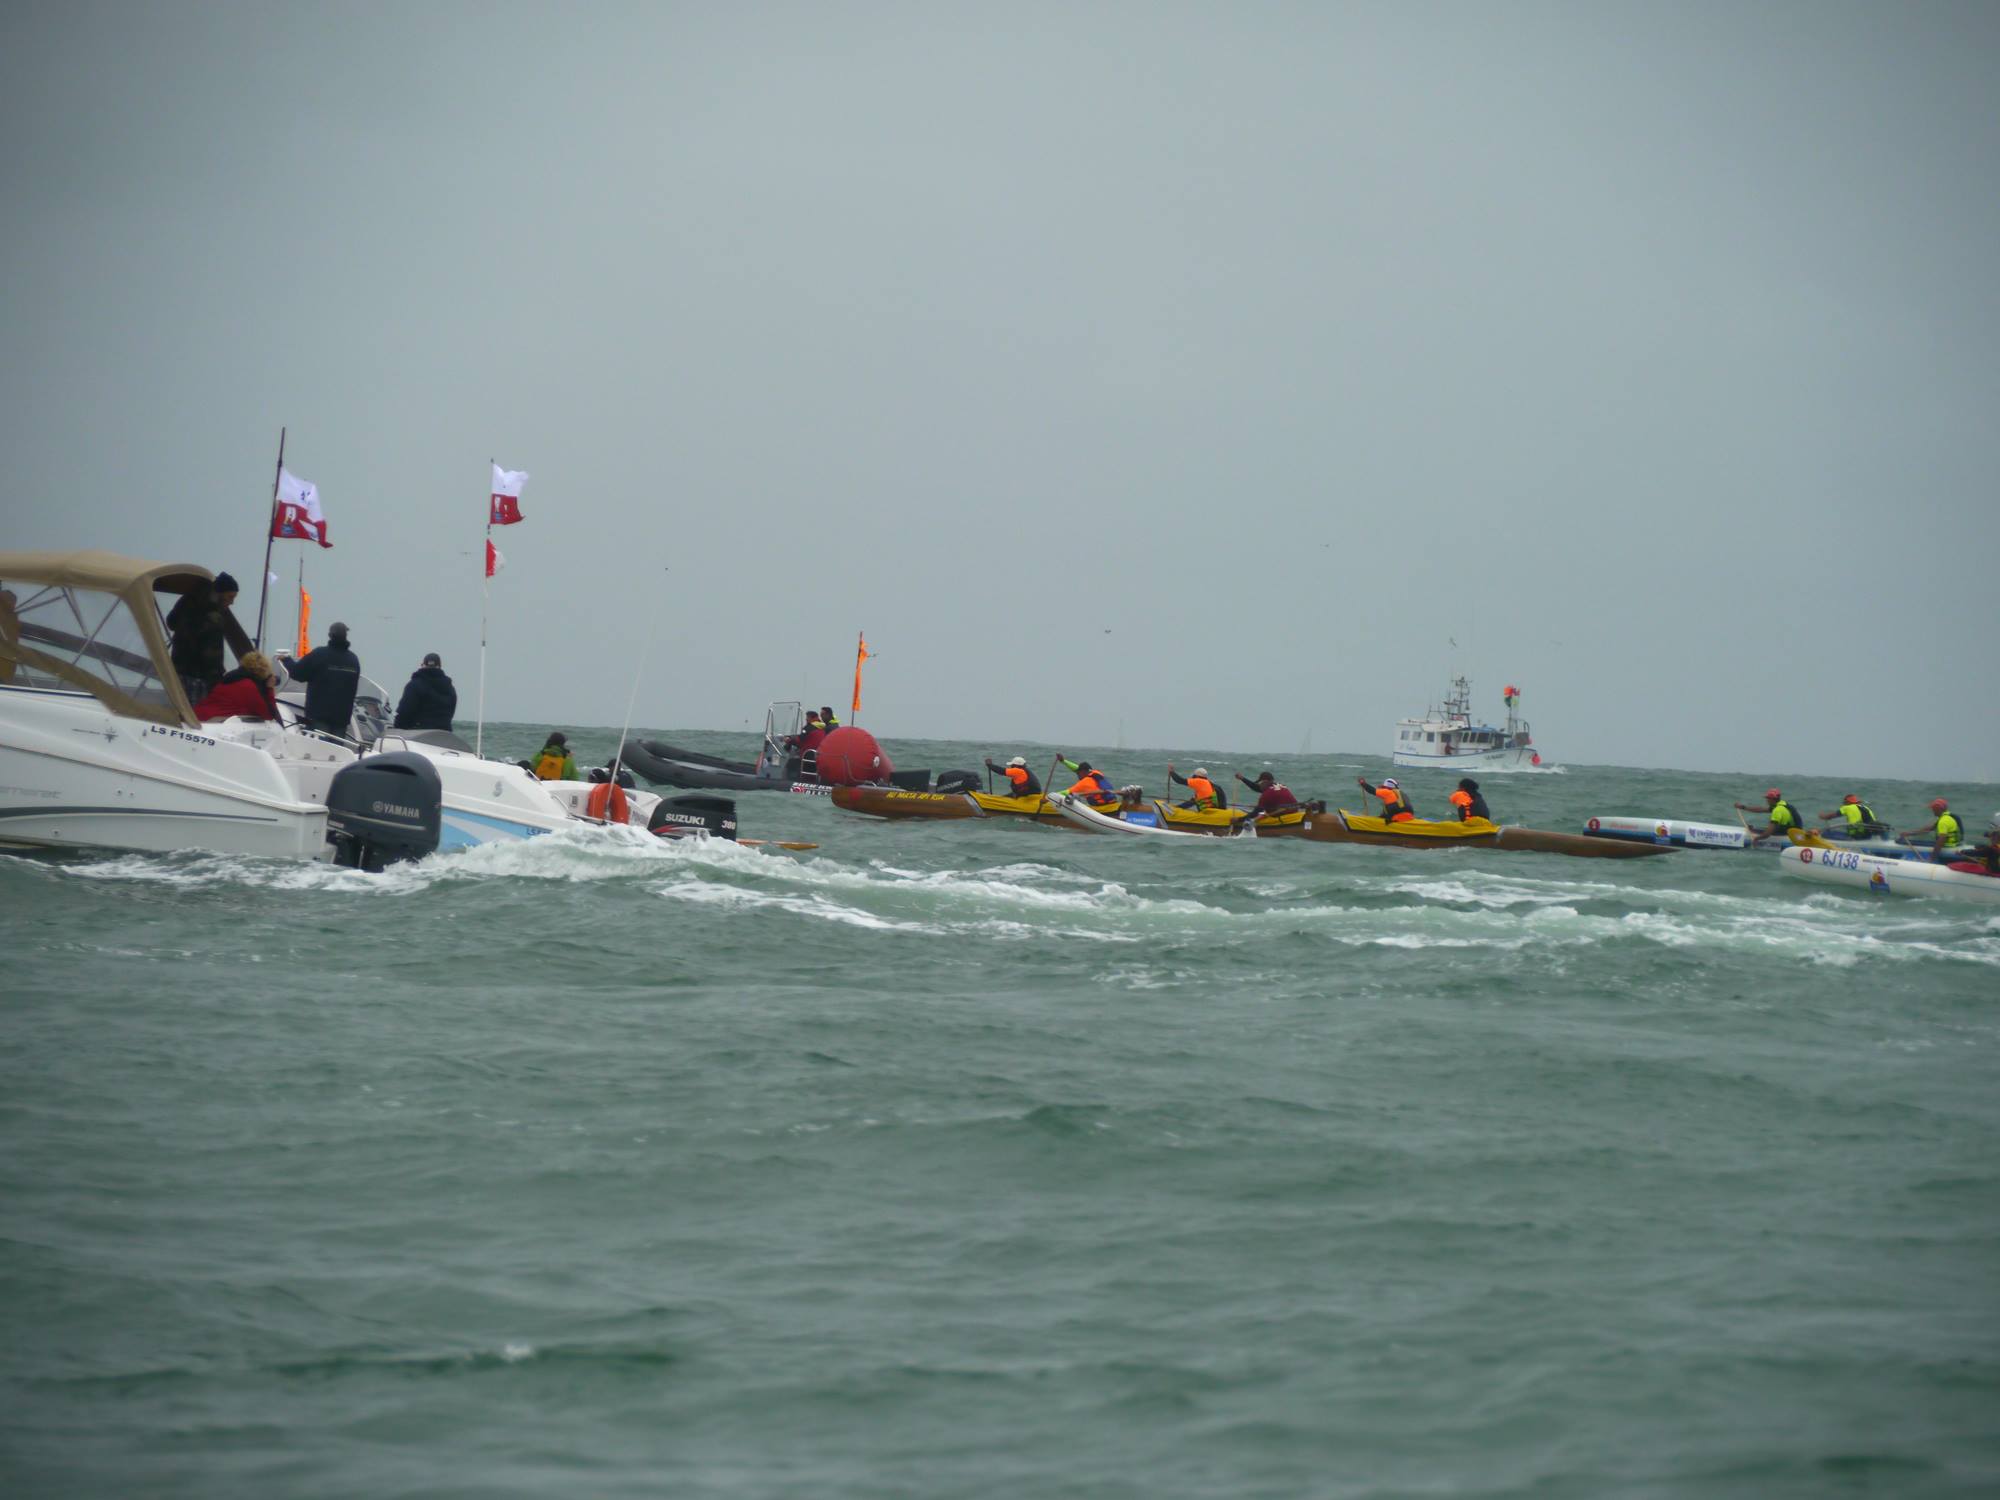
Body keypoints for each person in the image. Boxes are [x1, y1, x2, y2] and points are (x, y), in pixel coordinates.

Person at [165, 570, 248, 704]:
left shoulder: (188, 601)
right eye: (230, 596)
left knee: (178, 709)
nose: (232, 602)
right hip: (198, 677)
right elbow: (212, 654)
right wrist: (217, 681)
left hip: (177, 671)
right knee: (195, 713)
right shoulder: (213, 617)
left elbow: (171, 622)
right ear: (220, 593)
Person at [284, 620, 361, 738]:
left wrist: (286, 660)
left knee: (319, 747)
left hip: (319, 716)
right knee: (336, 749)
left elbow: (297, 673)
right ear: (346, 636)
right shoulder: (353, 660)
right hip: (341, 718)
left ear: (330, 635)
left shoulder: (319, 654)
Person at [192, 650, 279, 722]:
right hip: (214, 722)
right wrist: (270, 688)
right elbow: (268, 715)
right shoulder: (249, 686)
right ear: (262, 670)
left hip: (198, 716)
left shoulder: (229, 678)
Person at [393, 652, 457, 731]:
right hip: (444, 733)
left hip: (418, 732)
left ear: (423, 665)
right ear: (440, 666)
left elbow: (404, 711)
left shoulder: (414, 685)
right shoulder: (450, 688)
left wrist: (397, 729)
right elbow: (451, 712)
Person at [1901, 798, 1966, 862]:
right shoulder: (1948, 817)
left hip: (1948, 846)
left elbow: (1941, 840)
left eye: (1933, 808)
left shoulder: (1943, 821)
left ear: (1938, 809)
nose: (1932, 810)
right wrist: (1909, 833)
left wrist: (1931, 858)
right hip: (1955, 844)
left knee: (1926, 844)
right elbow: (1929, 829)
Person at [1734, 787, 1801, 840]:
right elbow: (1760, 809)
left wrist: (1757, 839)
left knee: (1755, 830)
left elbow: (1767, 834)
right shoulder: (1782, 804)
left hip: (1791, 835)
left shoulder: (1777, 810)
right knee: (1758, 828)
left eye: (1768, 798)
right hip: (1796, 832)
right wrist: (1743, 807)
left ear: (1772, 799)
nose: (1766, 800)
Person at [1816, 793, 1886, 839]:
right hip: (1867, 837)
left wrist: (1823, 816)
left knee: (1825, 834)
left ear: (1848, 802)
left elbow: (1831, 816)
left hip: (1855, 837)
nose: (1843, 804)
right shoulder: (1866, 808)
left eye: (1844, 802)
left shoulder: (1847, 807)